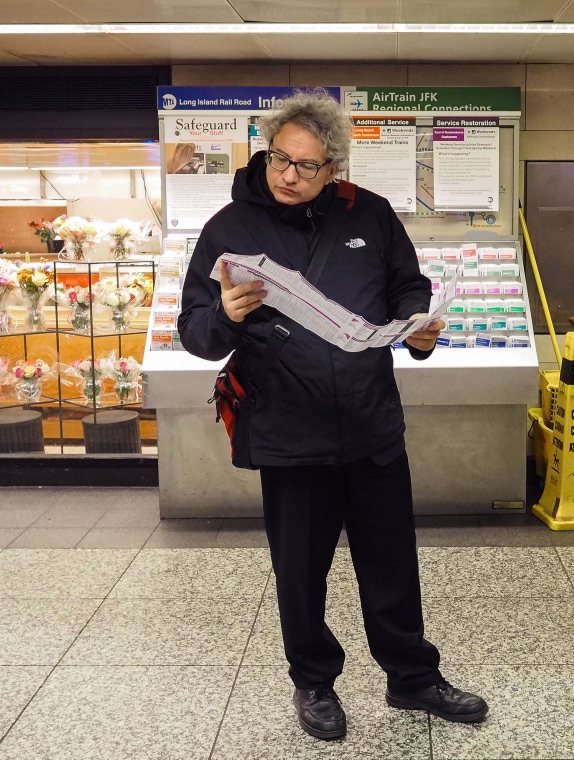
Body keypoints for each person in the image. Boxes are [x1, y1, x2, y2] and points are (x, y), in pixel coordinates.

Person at [177, 89, 488, 740]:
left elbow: (408, 285)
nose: (289, 175)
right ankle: (313, 682)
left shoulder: (369, 217)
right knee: (300, 571)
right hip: (289, 433)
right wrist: (224, 316)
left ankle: (412, 678)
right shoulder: (229, 230)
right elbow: (194, 333)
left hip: (372, 424)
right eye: (278, 159)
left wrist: (418, 326)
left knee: (392, 561)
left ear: (334, 169)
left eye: (307, 166)